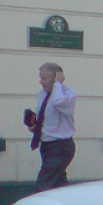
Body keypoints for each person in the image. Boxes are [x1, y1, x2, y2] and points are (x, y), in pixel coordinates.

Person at [28, 62, 76, 191]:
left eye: (43, 78)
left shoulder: (67, 95)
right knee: (59, 185)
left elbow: (57, 102)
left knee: (43, 185)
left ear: (54, 78)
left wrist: (58, 84)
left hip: (61, 147)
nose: (40, 82)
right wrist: (34, 126)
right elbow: (43, 114)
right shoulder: (42, 94)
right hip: (46, 146)